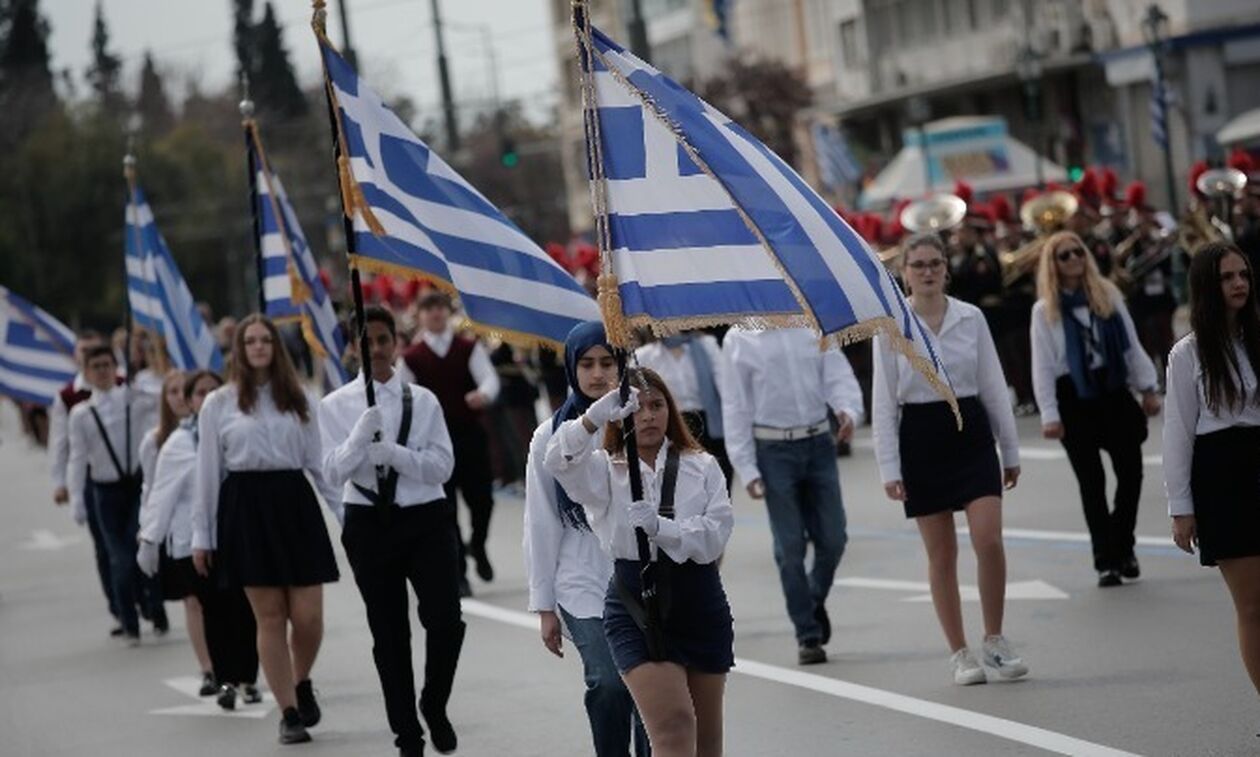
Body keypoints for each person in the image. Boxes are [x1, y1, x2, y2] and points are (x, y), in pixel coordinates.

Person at [545, 367, 733, 757]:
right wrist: (595, 415)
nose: (648, 415)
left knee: (707, 741)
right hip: (635, 602)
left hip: (698, 598)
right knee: (673, 727)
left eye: (657, 405)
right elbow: (557, 461)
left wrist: (663, 528)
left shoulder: (702, 466)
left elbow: (716, 533)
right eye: (637, 407)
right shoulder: (602, 468)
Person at [873, 233, 1028, 685]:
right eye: (917, 264)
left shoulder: (971, 317)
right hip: (921, 435)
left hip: (971, 431)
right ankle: (960, 652)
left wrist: (1011, 449)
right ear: (904, 271)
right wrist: (889, 467)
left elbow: (994, 385)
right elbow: (883, 402)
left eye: (934, 263)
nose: (927, 271)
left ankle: (994, 639)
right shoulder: (891, 326)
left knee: (988, 539)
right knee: (942, 554)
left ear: (946, 268)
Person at [320, 306, 464, 757]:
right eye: (365, 341)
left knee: (445, 621)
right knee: (389, 633)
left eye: (383, 339)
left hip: (425, 518)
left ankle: (433, 702)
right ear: (350, 349)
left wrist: (398, 455)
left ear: (396, 343)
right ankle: (407, 735)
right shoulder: (335, 405)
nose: (376, 349)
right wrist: (359, 438)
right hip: (368, 523)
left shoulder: (423, 401)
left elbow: (443, 466)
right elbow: (330, 473)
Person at [192, 313, 342, 745]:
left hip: (294, 503)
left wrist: (347, 515)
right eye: (250, 341)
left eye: (265, 340)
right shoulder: (218, 402)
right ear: (238, 350)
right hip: (246, 508)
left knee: (309, 618)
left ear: (276, 347)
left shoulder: (300, 398)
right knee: (271, 616)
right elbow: (207, 473)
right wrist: (203, 536)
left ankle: (301, 679)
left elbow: (320, 463)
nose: (258, 347)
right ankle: (289, 712)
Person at [524, 322, 649, 757]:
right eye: (587, 364)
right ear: (571, 368)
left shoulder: (642, 420)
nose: (598, 375)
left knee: (651, 695)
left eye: (607, 363)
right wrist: (544, 607)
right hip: (581, 585)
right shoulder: (549, 435)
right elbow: (540, 521)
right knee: (610, 684)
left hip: (641, 577)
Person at [721, 326, 863, 664]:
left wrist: (848, 411)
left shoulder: (810, 323)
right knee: (790, 547)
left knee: (834, 538)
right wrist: (747, 466)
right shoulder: (739, 336)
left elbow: (837, 375)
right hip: (772, 449)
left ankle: (812, 601)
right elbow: (736, 404)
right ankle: (807, 634)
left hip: (818, 443)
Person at [1031, 231, 1162, 587]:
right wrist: (1050, 414)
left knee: (1131, 473)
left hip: (1112, 388)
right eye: (1064, 256)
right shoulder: (1045, 311)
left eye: (1078, 252)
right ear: (1053, 265)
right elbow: (1042, 366)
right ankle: (1106, 559)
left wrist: (1148, 388)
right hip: (1072, 396)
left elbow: (1131, 345)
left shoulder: (1108, 294)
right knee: (1092, 483)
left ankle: (1123, 544)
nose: (1074, 259)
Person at [1165, 241, 1260, 698]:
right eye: (1227, 277)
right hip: (1223, 477)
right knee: (1253, 606)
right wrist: (1181, 507)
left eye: (1243, 274)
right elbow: (1177, 433)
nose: (1240, 283)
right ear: (1207, 285)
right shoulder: (1188, 354)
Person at [138, 370, 261, 710]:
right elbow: (159, 494)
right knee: (216, 612)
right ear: (190, 402)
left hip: (237, 538)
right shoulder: (177, 443)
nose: (208, 397)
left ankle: (249, 678)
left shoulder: (239, 432)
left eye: (214, 390)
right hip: (192, 544)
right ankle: (224, 678)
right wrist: (149, 539)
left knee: (247, 609)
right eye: (200, 393)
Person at [401, 291, 500, 596]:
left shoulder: (467, 348)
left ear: (447, 312)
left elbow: (489, 379)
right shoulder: (411, 357)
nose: (435, 314)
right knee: (447, 509)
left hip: (469, 435)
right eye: (428, 309)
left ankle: (479, 544)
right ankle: (459, 572)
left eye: (440, 308)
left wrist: (483, 394)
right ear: (419, 315)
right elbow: (404, 394)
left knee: (483, 500)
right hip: (435, 443)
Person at [66, 345, 159, 644]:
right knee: (118, 559)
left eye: (108, 365)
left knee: (141, 545)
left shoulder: (132, 398)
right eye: (96, 367)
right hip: (105, 492)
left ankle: (153, 606)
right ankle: (128, 619)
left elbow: (165, 403)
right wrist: (77, 499)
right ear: (87, 373)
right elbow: (78, 458)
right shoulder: (81, 414)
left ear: (116, 367)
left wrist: (140, 390)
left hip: (136, 487)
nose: (103, 371)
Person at [137, 371, 210, 688]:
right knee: (192, 601)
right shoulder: (156, 441)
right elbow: (153, 491)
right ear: (165, 399)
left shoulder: (214, 430)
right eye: (174, 392)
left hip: (216, 530)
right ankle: (208, 666)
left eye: (186, 391)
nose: (181, 397)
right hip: (180, 532)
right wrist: (149, 536)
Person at [50, 330, 120, 634]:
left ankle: (141, 598)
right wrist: (61, 483)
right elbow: (62, 443)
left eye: (94, 349)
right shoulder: (68, 395)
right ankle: (118, 607)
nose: (88, 355)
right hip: (94, 478)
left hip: (128, 476)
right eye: (83, 351)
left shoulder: (122, 387)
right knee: (105, 547)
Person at [636, 331, 732, 492]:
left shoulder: (707, 345)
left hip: (709, 423)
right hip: (671, 425)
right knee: (680, 488)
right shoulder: (645, 355)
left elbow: (727, 388)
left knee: (718, 485)